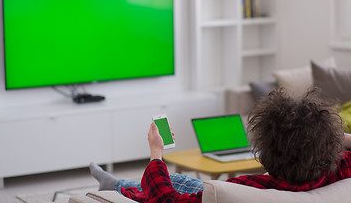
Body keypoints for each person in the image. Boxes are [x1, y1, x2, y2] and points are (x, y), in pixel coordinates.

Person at [90, 87, 351, 203]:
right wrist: (322, 135)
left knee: (176, 184)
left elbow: (165, 199)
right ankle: (117, 184)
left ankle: (117, 188)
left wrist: (156, 153)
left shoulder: (246, 190)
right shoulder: (340, 170)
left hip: (197, 196)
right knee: (182, 180)